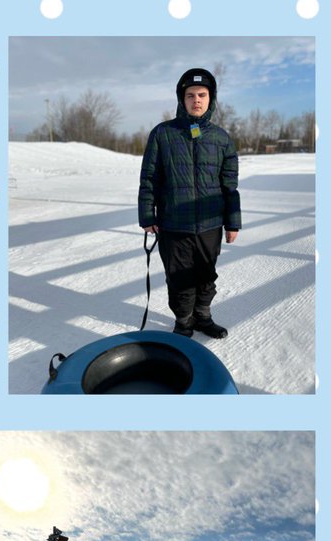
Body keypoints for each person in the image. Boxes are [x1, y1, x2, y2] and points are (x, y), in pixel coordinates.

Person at [139, 67, 241, 339]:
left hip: (210, 224)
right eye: (190, 95)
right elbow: (149, 178)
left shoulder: (221, 138)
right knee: (180, 278)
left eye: (202, 95)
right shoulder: (162, 134)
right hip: (174, 223)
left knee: (207, 275)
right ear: (181, 99)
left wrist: (232, 222)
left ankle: (203, 317)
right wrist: (147, 215)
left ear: (211, 99)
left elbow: (230, 186)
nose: (196, 100)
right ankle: (184, 322)